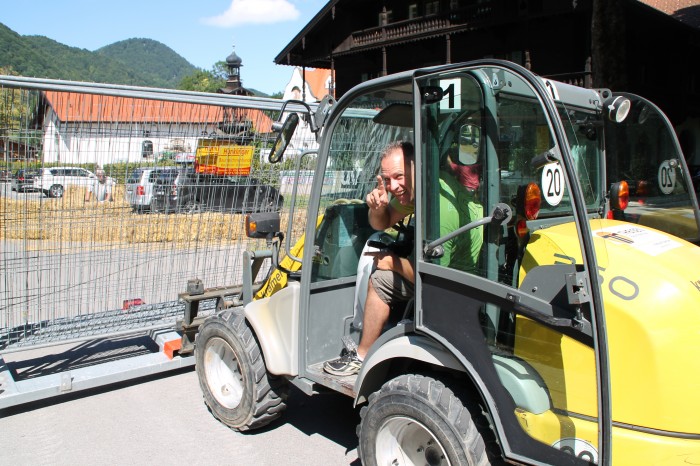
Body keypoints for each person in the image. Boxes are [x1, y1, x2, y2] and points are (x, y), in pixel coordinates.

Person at [324, 141, 415, 376]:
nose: (393, 186)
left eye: (399, 176)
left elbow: (434, 276)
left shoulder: (438, 206)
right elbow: (381, 223)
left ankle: (361, 356)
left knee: (380, 280)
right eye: (387, 179)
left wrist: (393, 262)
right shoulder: (415, 197)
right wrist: (377, 209)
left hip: (448, 287)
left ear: (417, 168)